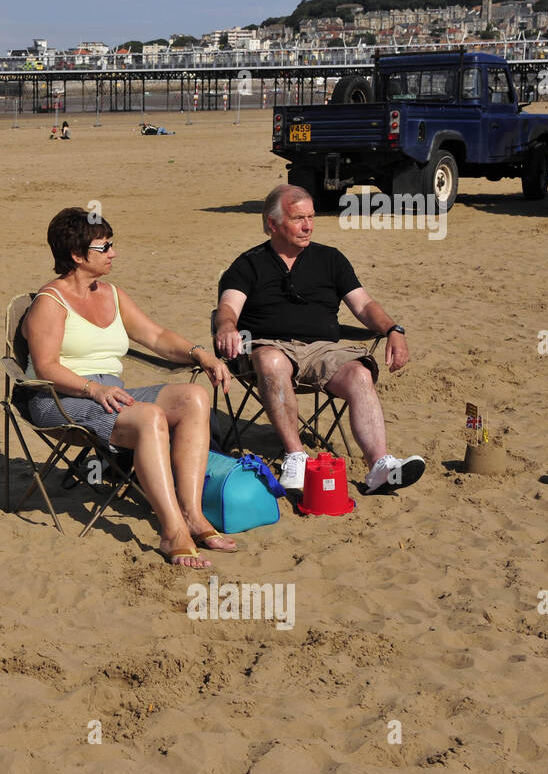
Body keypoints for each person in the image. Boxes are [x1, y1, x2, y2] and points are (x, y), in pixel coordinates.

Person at [23, 207, 234, 568]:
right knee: (150, 416)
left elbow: (155, 336)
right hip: (58, 398)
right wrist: (92, 389)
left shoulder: (111, 294)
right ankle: (172, 531)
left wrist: (201, 355)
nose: (113, 254)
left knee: (194, 397)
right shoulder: (50, 302)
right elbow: (46, 366)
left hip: (111, 395)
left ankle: (193, 514)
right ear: (77, 255)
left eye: (111, 245)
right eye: (104, 247)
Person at [214, 184, 425, 494]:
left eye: (311, 217)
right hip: (269, 350)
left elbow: (364, 305)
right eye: (299, 218)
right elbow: (227, 309)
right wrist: (227, 327)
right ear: (273, 223)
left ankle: (380, 466)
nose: (308, 225)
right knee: (271, 360)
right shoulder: (248, 264)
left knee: (359, 373)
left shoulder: (331, 260)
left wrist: (394, 329)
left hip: (323, 350)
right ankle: (296, 456)